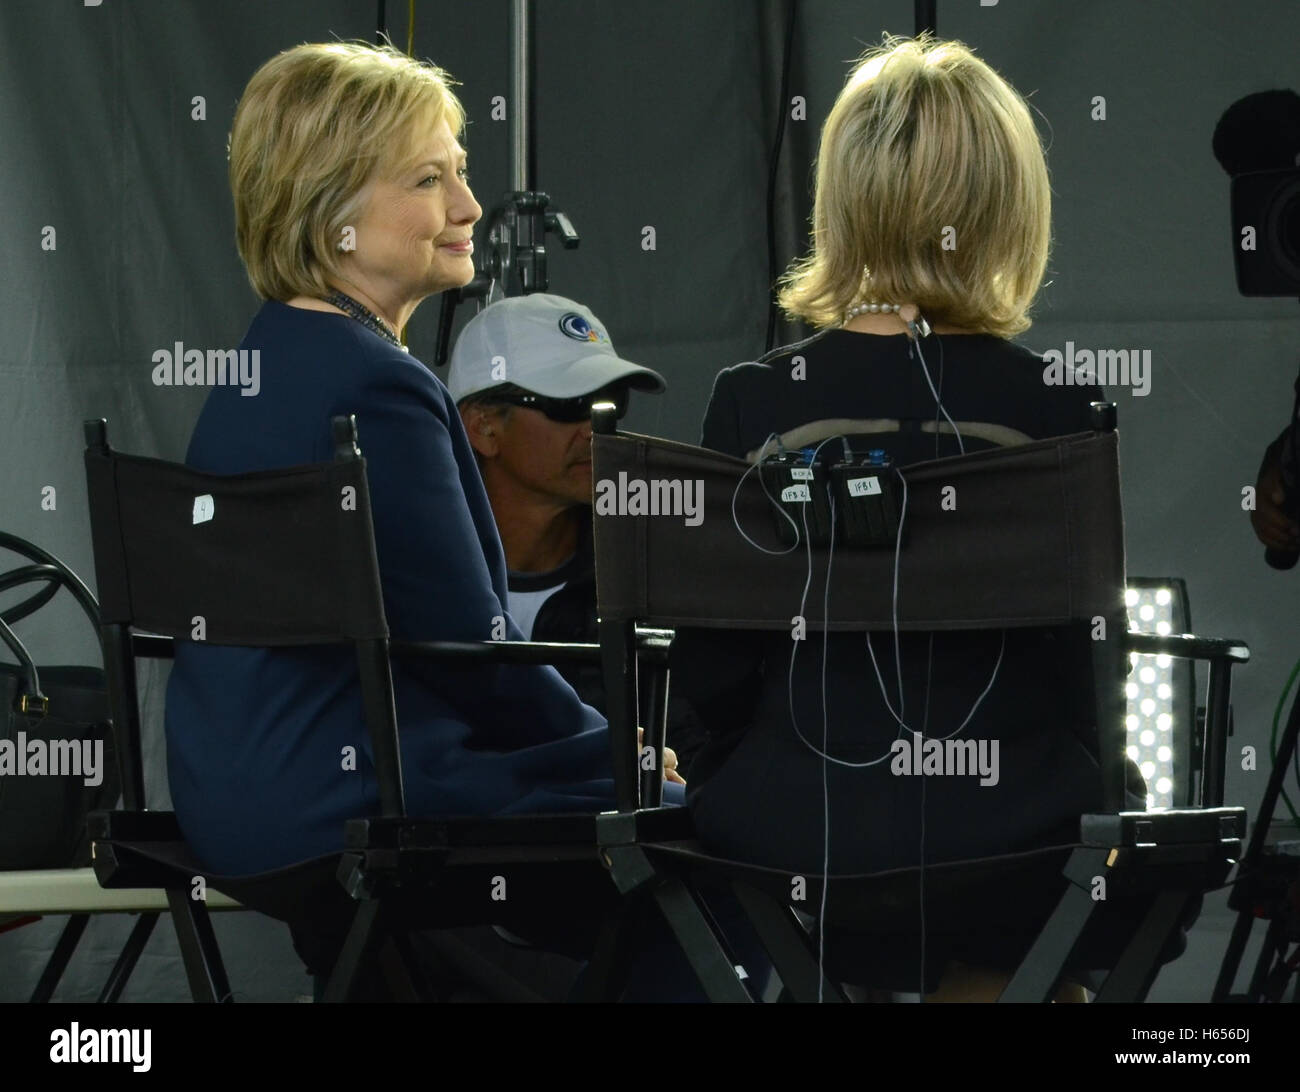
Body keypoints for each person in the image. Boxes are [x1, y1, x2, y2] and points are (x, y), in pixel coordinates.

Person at [163, 42, 688, 995]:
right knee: (704, 846)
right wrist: (625, 754)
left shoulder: (254, 368)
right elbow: (478, 657)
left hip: (235, 804)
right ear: (334, 213)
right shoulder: (376, 382)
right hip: (361, 800)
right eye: (428, 177)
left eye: (462, 171)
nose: (469, 207)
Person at [672, 32, 1183, 1001]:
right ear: (1006, 206)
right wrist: (1101, 785)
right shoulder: (1060, 411)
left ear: (843, 196)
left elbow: (713, 670)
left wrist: (742, 775)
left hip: (793, 825)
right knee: (1051, 893)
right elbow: (1084, 671)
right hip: (1015, 825)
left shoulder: (751, 406)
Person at [449, 294, 708, 772]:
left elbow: (693, 755)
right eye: (570, 403)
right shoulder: (416, 580)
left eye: (612, 402)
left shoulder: (649, 573)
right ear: (482, 427)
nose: (598, 426)